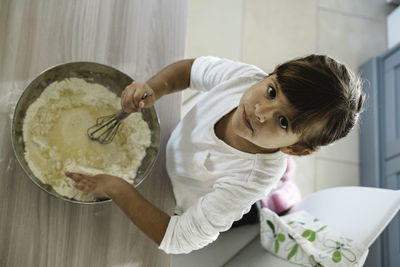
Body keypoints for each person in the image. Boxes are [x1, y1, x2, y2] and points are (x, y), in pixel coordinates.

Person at [65, 55, 365, 254]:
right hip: (179, 155)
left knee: (248, 213)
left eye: (283, 122)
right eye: (272, 92)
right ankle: (282, 187)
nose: (260, 111)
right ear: (271, 74)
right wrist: (155, 88)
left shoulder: (248, 179)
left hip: (186, 198)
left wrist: (117, 188)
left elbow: (180, 238)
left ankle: (272, 202)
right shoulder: (245, 79)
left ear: (295, 148)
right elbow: (189, 71)